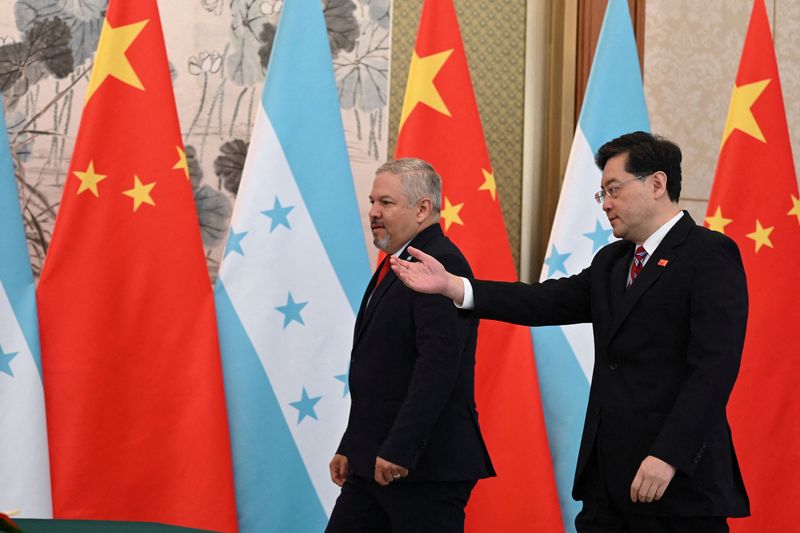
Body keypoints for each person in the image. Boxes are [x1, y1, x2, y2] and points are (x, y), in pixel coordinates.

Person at [391, 132, 749, 533]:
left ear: (657, 183)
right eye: (602, 194)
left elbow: (713, 369)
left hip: (676, 483)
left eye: (613, 189)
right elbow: (543, 301)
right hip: (606, 484)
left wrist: (668, 454)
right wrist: (454, 287)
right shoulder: (613, 262)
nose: (606, 204)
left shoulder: (708, 254)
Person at [326, 158, 494, 533]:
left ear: (422, 209)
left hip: (421, 467)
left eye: (385, 203)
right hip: (375, 460)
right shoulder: (398, 261)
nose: (372, 212)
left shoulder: (440, 264)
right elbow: (383, 372)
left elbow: (437, 367)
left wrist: (401, 448)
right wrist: (353, 444)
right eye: (372, 201)